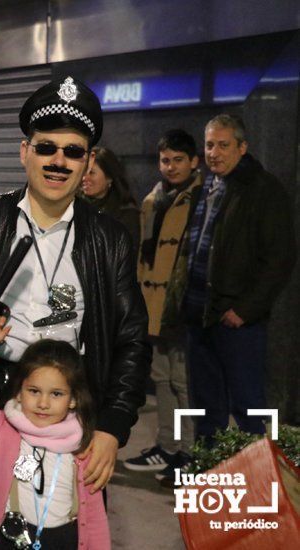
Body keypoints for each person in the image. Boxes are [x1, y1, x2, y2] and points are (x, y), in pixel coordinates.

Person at [0, 75, 149, 549]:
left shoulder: (109, 239)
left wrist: (112, 427)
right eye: (46, 147)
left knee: (71, 531)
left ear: (87, 164)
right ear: (24, 151)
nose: (58, 161)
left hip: (76, 405)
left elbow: (131, 339)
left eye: (73, 151)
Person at [182, 114, 295, 444]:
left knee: (248, 408)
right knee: (206, 406)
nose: (214, 153)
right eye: (209, 145)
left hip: (238, 321)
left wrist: (245, 309)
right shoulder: (206, 186)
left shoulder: (264, 190)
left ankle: (254, 484)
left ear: (242, 147)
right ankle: (209, 477)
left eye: (223, 145)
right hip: (200, 315)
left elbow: (280, 259)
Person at [0, 326, 110, 550]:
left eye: (56, 394)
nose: (43, 403)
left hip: (64, 540)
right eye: (34, 391)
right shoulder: (0, 429)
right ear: (19, 392)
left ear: (73, 399)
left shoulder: (83, 444)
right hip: (9, 537)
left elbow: (95, 518)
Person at [125, 129, 202, 481]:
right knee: (161, 378)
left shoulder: (201, 197)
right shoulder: (154, 199)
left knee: (183, 382)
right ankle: (168, 448)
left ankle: (189, 452)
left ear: (193, 162)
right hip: (154, 306)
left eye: (178, 160)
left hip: (181, 306)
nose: (170, 167)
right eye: (165, 160)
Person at [80, 146, 140, 250]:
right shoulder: (72, 208)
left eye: (91, 173)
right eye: (83, 172)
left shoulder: (126, 214)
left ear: (109, 177)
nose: (85, 178)